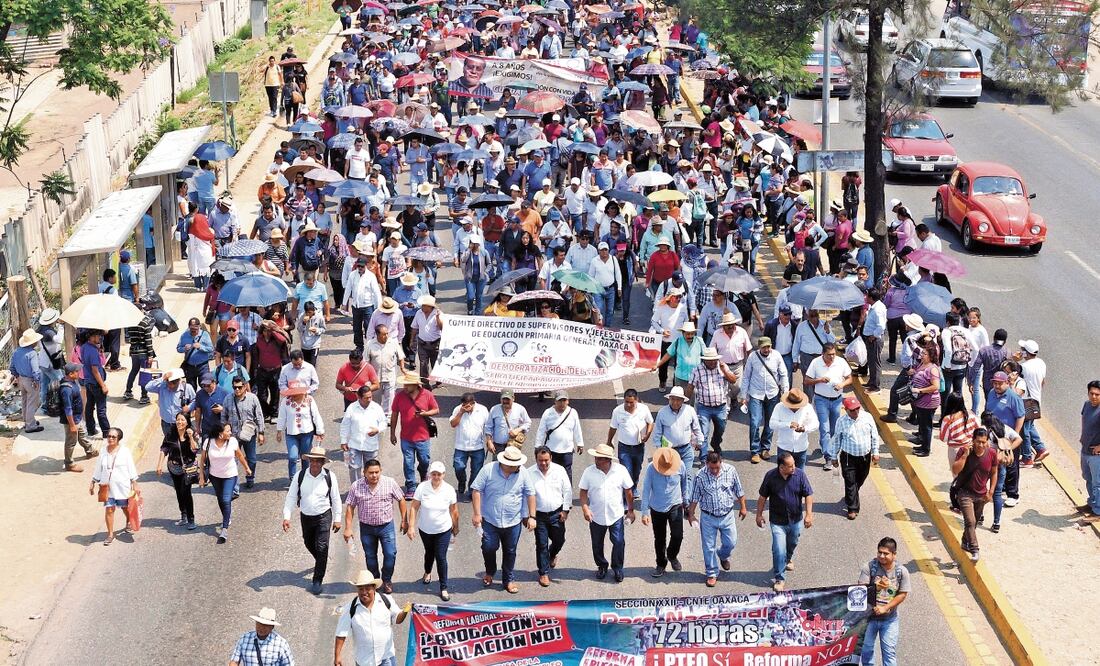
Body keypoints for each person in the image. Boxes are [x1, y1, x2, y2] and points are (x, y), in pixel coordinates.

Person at [471, 446, 536, 594]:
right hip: (490, 520)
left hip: (513, 521)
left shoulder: (523, 473)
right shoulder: (488, 470)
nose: (517, 466)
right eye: (514, 464)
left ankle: (508, 579)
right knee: (488, 547)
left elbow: (530, 494)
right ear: (504, 463)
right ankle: (490, 571)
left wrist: (532, 516)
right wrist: (476, 513)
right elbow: (476, 490)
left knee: (510, 551)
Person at [282, 446, 342, 594]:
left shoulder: (330, 476)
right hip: (306, 517)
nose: (315, 464)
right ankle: (322, 560)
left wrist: (338, 518)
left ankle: (317, 580)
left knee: (321, 546)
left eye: (318, 461)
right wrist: (286, 517)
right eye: (312, 461)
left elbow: (335, 498)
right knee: (308, 543)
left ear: (322, 463)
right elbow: (291, 496)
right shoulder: (300, 476)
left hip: (324, 516)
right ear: (309, 461)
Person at [343, 459, 407, 594]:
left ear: (380, 471)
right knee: (370, 556)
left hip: (386, 527)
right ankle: (375, 581)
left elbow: (401, 499)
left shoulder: (389, 483)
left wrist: (404, 520)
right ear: (364, 473)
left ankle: (387, 579)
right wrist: (348, 528)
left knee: (390, 554)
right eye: (371, 473)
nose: (374, 475)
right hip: (366, 528)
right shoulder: (356, 486)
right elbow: (350, 507)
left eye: (377, 472)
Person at [756, 451, 814, 591]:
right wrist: (759, 515)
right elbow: (762, 497)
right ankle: (779, 578)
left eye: (794, 464)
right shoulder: (770, 477)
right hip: (777, 522)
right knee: (778, 550)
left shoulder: (800, 475)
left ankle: (788, 558)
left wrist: (809, 515)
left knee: (792, 542)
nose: (794, 467)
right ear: (781, 467)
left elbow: (808, 495)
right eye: (790, 466)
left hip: (795, 520)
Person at [578, 443, 635, 583]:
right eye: (596, 458)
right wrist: (585, 509)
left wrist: (631, 511)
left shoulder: (620, 471)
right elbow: (583, 492)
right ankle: (602, 565)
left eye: (600, 458)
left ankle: (617, 568)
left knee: (619, 542)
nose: (596, 460)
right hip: (596, 516)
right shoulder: (589, 472)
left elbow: (628, 491)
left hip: (615, 515)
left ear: (608, 460)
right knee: (597, 544)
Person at [407, 460, 460, 600]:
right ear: (430, 474)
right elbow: (414, 507)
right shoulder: (422, 488)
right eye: (434, 474)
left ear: (443, 475)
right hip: (425, 529)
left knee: (441, 557)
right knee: (429, 553)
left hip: (443, 529)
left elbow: (454, 510)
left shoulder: (449, 490)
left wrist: (456, 527)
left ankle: (443, 587)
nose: (436, 477)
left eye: (439, 474)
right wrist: (411, 526)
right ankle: (427, 572)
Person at [333, 572, 409, 666]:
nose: (364, 592)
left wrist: (405, 611)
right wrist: (337, 656)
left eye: (367, 589)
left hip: (386, 658)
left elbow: (397, 619)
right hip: (364, 661)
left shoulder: (386, 600)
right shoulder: (350, 608)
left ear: (374, 588)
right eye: (361, 589)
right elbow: (341, 633)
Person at [859, 537, 911, 666]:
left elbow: (902, 594)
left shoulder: (901, 572)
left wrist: (885, 607)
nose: (881, 556)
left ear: (894, 554)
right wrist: (875, 587)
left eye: (886, 553)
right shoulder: (869, 567)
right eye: (879, 552)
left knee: (889, 653)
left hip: (890, 620)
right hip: (869, 619)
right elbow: (860, 591)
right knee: (866, 651)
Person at [639, 446, 689, 577]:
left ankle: (672, 555)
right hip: (657, 508)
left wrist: (686, 502)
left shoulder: (681, 465)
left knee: (678, 535)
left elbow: (684, 484)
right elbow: (646, 490)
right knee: (659, 538)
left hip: (675, 505)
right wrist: (645, 512)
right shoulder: (651, 468)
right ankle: (661, 564)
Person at [199, 421, 251, 544]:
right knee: (220, 499)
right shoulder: (208, 442)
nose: (230, 433)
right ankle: (227, 517)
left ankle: (224, 528)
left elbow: (239, 455)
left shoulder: (232, 441)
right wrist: (201, 476)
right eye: (227, 431)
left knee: (226, 499)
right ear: (220, 434)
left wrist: (247, 468)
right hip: (214, 476)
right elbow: (202, 461)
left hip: (230, 475)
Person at [526, 446, 572, 587]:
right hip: (538, 515)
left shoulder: (559, 470)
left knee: (559, 540)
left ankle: (552, 554)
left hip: (556, 513)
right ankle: (543, 573)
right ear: (536, 459)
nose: (544, 463)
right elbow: (525, 495)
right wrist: (528, 516)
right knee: (541, 544)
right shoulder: (529, 473)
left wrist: (565, 510)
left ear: (551, 457)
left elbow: (567, 490)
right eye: (540, 460)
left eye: (546, 460)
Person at [740, 336, 790, 463]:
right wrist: (743, 395)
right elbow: (746, 377)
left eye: (768, 347)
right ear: (759, 348)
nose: (766, 349)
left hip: (773, 394)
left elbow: (783, 374)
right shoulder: (752, 357)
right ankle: (755, 450)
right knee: (755, 422)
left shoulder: (777, 356)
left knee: (770, 422)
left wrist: (785, 393)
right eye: (764, 347)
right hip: (756, 393)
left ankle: (765, 448)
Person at [951, 427, 999, 562]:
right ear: (973, 441)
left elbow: (994, 473)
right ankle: (975, 549)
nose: (981, 445)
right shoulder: (964, 451)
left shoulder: (992, 453)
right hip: (964, 493)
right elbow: (955, 469)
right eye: (978, 442)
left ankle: (965, 542)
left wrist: (991, 492)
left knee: (974, 522)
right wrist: (965, 455)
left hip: (982, 495)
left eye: (984, 442)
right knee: (970, 521)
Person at [390, 373, 440, 496]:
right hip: (406, 437)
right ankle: (411, 487)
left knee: (424, 460)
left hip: (423, 437)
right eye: (404, 384)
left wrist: (425, 414)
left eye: (407, 384)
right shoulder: (399, 396)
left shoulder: (427, 395)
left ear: (416, 385)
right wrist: (392, 433)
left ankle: (423, 474)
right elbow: (395, 414)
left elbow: (436, 410)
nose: (405, 387)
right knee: (408, 462)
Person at [833, 396, 882, 520]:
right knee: (850, 481)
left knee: (859, 480)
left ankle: (852, 495)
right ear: (846, 410)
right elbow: (837, 439)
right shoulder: (841, 421)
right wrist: (834, 456)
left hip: (864, 457)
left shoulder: (867, 417)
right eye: (852, 410)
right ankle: (852, 508)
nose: (855, 412)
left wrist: (875, 452)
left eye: (857, 409)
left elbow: (874, 436)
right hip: (848, 457)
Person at [804, 342, 852, 469]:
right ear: (823, 354)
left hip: (837, 400)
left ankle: (826, 446)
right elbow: (807, 380)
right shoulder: (815, 363)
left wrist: (842, 385)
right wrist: (819, 380)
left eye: (834, 354)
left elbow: (849, 378)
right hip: (821, 400)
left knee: (833, 429)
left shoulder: (841, 362)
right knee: (824, 428)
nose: (832, 357)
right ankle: (828, 457)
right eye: (829, 355)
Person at [88, 428, 138, 545]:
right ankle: (110, 534)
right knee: (109, 509)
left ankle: (129, 520)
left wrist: (134, 483)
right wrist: (93, 481)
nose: (110, 439)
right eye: (109, 436)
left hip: (122, 487)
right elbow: (98, 468)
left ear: (118, 439)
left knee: (125, 507)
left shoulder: (125, 451)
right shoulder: (103, 451)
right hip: (107, 487)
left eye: (113, 437)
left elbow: (131, 467)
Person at [156, 411, 199, 530]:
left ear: (187, 422)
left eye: (182, 420)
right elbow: (164, 448)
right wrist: (159, 465)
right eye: (178, 420)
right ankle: (183, 515)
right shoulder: (171, 433)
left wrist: (190, 437)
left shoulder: (192, 432)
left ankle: (191, 519)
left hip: (188, 469)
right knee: (179, 492)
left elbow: (195, 449)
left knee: (186, 492)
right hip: (174, 468)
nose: (180, 422)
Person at [276, 381, 325, 479]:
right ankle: (293, 478)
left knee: (305, 457)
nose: (293, 396)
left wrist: (320, 431)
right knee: (293, 457)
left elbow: (316, 415)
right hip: (291, 433)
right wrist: (279, 431)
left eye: (295, 393)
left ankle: (305, 477)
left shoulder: (309, 400)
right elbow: (282, 417)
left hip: (306, 433)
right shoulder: (286, 401)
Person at [653, 385, 703, 480]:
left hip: (686, 449)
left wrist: (699, 442)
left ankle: (687, 495)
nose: (675, 402)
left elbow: (696, 428)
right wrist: (660, 450)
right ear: (669, 399)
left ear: (683, 400)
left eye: (678, 400)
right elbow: (657, 433)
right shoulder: (662, 413)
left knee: (687, 476)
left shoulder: (690, 411)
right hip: (670, 451)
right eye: (673, 399)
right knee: (672, 477)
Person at [340, 385, 388, 484]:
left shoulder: (376, 407)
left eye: (370, 397)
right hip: (354, 445)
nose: (369, 399)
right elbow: (345, 425)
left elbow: (384, 423)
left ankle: (370, 490)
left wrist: (377, 429)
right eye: (366, 398)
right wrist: (343, 441)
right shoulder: (352, 408)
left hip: (371, 445)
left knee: (371, 470)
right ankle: (356, 490)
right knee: (354, 469)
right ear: (359, 397)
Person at [606, 388, 654, 486]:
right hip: (624, 448)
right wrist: (609, 441)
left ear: (636, 400)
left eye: (631, 402)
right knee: (627, 471)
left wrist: (647, 434)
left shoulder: (643, 409)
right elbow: (613, 427)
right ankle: (626, 496)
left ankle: (633, 487)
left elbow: (650, 422)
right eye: (626, 402)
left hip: (639, 447)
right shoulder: (617, 411)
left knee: (637, 470)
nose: (628, 405)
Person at [534, 391, 585, 479]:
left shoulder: (572, 412)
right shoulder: (548, 413)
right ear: (555, 401)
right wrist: (537, 446)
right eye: (560, 401)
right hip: (551, 450)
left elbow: (577, 428)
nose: (562, 403)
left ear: (568, 401)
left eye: (564, 400)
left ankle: (567, 492)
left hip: (567, 450)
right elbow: (541, 430)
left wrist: (580, 443)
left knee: (567, 474)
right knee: (552, 474)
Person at [1015, 338, 1049, 466]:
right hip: (1036, 400)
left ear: (1026, 353)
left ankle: (1027, 457)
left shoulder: (1023, 367)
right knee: (1030, 426)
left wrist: (1014, 360)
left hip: (1025, 402)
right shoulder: (1041, 363)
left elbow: (1011, 373)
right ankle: (1040, 449)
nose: (1020, 351)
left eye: (1022, 350)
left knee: (1025, 429)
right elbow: (1043, 382)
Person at [449, 392, 490, 499]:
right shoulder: (458, 409)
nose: (466, 407)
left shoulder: (482, 410)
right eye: (464, 405)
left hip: (477, 447)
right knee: (458, 467)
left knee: (476, 471)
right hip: (461, 446)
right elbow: (453, 424)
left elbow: (488, 426)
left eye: (468, 405)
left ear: (473, 403)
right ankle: (462, 481)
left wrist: (489, 440)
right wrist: (461, 413)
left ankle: (472, 490)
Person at [58, 362, 98, 472]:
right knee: (71, 441)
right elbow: (68, 408)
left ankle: (90, 451)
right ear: (70, 374)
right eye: (76, 371)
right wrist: (71, 425)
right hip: (72, 420)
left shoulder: (72, 382)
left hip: (77, 418)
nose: (79, 372)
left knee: (82, 435)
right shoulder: (66, 389)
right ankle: (69, 463)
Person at [769, 388, 818, 470]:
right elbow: (772, 424)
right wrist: (788, 424)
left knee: (799, 475)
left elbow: (815, 424)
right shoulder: (779, 407)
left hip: (801, 447)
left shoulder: (808, 407)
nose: (795, 408)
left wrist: (804, 428)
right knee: (783, 475)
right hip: (784, 447)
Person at [230, 607, 294, 666]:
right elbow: (234, 661)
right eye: (259, 624)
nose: (261, 628)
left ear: (272, 627)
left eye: (265, 625)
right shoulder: (244, 639)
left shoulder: (281, 644)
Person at [910, 345, 942, 457]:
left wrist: (920, 390)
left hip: (928, 402)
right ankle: (922, 443)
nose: (921, 355)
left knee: (926, 426)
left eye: (924, 354)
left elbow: (935, 386)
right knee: (922, 424)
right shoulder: (922, 364)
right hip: (920, 401)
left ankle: (925, 449)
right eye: (922, 353)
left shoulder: (933, 369)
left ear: (931, 356)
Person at [10, 328, 43, 433]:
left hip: (21, 379)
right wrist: (36, 381)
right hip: (30, 380)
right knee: (32, 402)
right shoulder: (32, 353)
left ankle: (27, 421)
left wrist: (17, 376)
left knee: (24, 400)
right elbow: (35, 370)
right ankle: (30, 425)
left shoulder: (16, 352)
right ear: (32, 342)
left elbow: (12, 367)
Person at [80, 329, 111, 438]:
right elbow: (95, 370)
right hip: (96, 383)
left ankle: (91, 429)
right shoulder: (93, 351)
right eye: (98, 336)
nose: (100, 338)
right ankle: (106, 431)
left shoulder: (84, 347)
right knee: (101, 409)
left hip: (88, 381)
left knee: (89, 406)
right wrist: (103, 385)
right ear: (92, 337)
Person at [485, 389, 532, 458]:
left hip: (513, 445)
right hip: (498, 446)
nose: (505, 401)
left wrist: (518, 430)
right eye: (503, 399)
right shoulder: (494, 409)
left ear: (513, 398)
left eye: (508, 399)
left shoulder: (520, 409)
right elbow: (488, 427)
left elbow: (528, 422)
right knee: (497, 466)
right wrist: (489, 441)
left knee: (512, 466)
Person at [1078, 380, 1100, 521]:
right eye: (1091, 393)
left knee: (1098, 483)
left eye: (1097, 394)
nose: (1094, 397)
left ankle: (1098, 512)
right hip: (1085, 450)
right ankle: (1092, 503)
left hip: (1096, 455)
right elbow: (1084, 420)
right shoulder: (1087, 405)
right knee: (1088, 478)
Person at [412, 295, 443, 387]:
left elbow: (442, 328)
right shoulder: (418, 313)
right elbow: (414, 327)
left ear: (430, 306)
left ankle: (438, 379)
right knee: (423, 364)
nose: (422, 307)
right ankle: (425, 384)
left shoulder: (438, 313)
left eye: (424, 305)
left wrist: (438, 318)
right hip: (422, 343)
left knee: (435, 363)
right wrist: (412, 340)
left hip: (435, 343)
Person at [177, 317, 214, 389]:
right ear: (189, 327)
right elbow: (178, 348)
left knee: (205, 387)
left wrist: (201, 347)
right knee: (191, 388)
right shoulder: (184, 335)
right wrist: (184, 348)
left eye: (195, 329)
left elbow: (211, 348)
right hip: (190, 367)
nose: (193, 331)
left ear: (199, 326)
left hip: (203, 366)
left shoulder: (205, 335)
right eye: (192, 329)